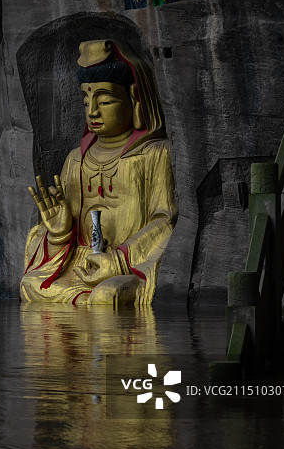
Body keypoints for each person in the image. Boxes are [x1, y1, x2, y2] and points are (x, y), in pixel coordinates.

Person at [20, 39, 177, 304]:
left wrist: (118, 260)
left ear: (135, 101)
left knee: (107, 296)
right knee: (30, 286)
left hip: (126, 264)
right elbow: (60, 237)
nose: (92, 111)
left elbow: (165, 220)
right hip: (78, 264)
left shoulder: (154, 154)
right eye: (86, 101)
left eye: (105, 102)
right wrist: (59, 234)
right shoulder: (76, 160)